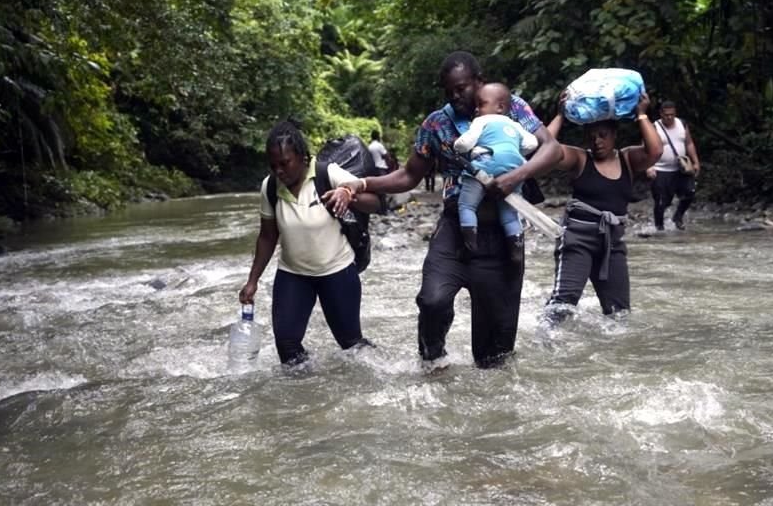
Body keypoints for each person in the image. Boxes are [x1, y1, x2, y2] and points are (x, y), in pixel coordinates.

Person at [332, 51, 562, 369]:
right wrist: (362, 183)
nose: (456, 96)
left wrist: (515, 177)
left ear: (479, 81)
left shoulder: (509, 105)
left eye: (462, 88)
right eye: (449, 91)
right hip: (456, 227)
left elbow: (552, 149)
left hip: (501, 233)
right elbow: (409, 176)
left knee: (493, 356)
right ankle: (434, 360)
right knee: (432, 300)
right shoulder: (437, 123)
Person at [238, 120, 381, 366]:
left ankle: (381, 369)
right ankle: (305, 396)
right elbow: (267, 236)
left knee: (350, 343)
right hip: (293, 274)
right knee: (287, 345)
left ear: (303, 158)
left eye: (285, 163)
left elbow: (376, 202)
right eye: (273, 166)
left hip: (337, 271)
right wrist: (252, 281)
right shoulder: (270, 187)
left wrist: (348, 195)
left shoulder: (328, 173)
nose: (279, 171)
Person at [542, 91, 662, 323]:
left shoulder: (627, 159)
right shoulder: (579, 159)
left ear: (614, 135)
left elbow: (655, 151)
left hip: (612, 243)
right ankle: (545, 342)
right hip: (577, 240)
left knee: (619, 314)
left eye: (603, 135)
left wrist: (641, 115)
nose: (597, 141)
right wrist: (560, 115)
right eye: (591, 136)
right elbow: (545, 150)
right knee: (562, 305)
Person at [454, 82, 538, 264]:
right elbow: (532, 143)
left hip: (486, 163)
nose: (476, 109)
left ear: (500, 107)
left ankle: (470, 244)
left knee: (467, 206)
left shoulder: (481, 121)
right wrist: (514, 151)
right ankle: (516, 250)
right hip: (514, 168)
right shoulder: (514, 124)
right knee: (509, 214)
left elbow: (465, 143)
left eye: (481, 104)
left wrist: (457, 147)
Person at [646, 100, 701, 231]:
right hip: (660, 170)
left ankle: (678, 216)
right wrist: (649, 166)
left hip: (680, 170)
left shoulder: (682, 124)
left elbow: (689, 143)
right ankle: (659, 228)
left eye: (672, 114)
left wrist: (696, 162)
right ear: (661, 114)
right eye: (666, 115)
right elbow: (646, 148)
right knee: (661, 202)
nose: (669, 117)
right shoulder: (654, 127)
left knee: (690, 192)